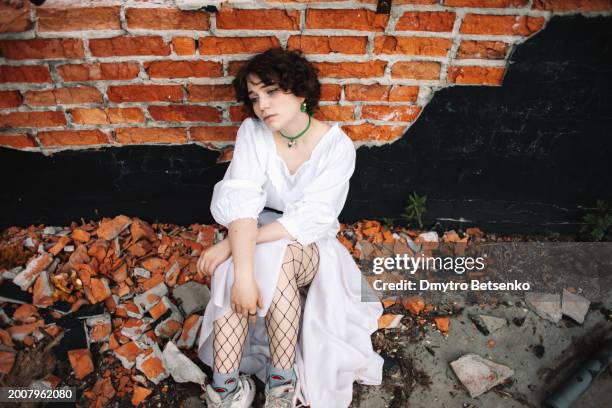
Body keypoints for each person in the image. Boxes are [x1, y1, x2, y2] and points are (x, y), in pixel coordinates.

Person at [196, 48, 383, 408]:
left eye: (271, 92)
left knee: (272, 261)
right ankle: (225, 388)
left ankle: (282, 384)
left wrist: (233, 247)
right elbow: (243, 198)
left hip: (308, 242)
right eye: (254, 97)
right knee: (240, 272)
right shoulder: (253, 132)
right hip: (255, 226)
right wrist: (242, 264)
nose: (262, 105)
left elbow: (308, 219)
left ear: (300, 92)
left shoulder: (337, 146)